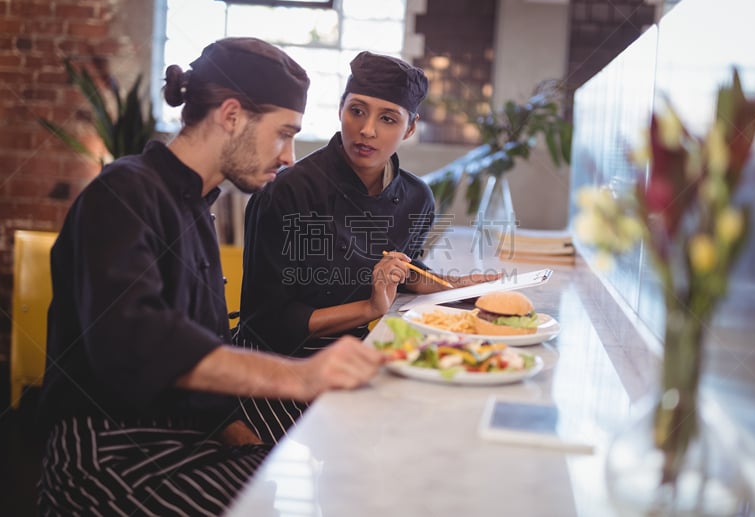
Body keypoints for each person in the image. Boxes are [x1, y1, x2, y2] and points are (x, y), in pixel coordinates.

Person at [36, 37, 384, 516]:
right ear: (232, 115)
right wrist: (299, 376)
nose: (288, 157)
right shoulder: (123, 191)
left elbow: (196, 343)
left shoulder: (197, 206)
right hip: (108, 453)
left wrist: (236, 432)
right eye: (284, 133)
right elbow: (137, 342)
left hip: (182, 437)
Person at [236, 51, 499, 443]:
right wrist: (369, 308)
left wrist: (462, 288)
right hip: (272, 369)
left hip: (349, 357)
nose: (367, 130)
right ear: (340, 109)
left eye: (388, 118)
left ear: (410, 129)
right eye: (357, 111)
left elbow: (406, 273)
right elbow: (269, 322)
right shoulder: (287, 191)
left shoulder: (416, 197)